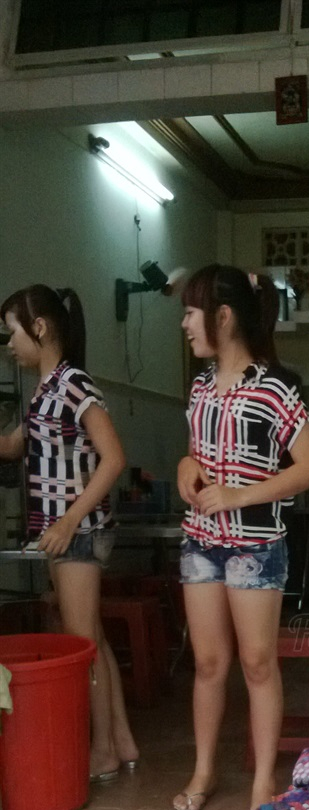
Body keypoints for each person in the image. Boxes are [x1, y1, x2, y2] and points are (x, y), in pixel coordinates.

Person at [176, 263, 309, 810]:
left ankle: (263, 779)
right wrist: (185, 467)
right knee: (208, 664)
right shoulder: (199, 388)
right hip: (200, 542)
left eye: (191, 312)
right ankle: (204, 770)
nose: (185, 324)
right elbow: (196, 453)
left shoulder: (275, 388)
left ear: (223, 317)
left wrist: (240, 495)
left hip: (256, 546)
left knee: (258, 664)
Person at [0, 284, 138, 780]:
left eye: (12, 332)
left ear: (39, 328)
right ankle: (121, 741)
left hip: (77, 532)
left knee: (81, 646)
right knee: (91, 638)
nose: (9, 344)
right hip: (67, 532)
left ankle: (102, 751)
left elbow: (114, 458)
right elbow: (13, 446)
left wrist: (68, 520)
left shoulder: (72, 383)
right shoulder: (44, 390)